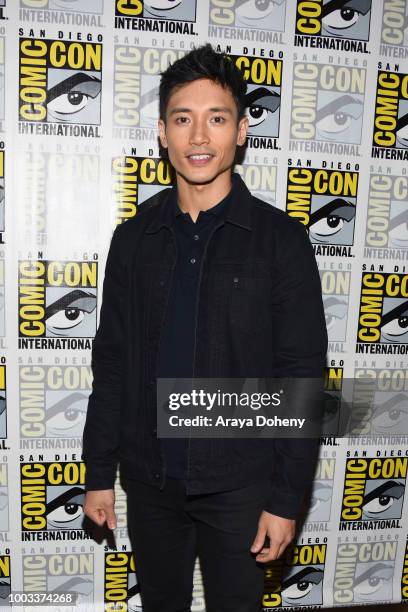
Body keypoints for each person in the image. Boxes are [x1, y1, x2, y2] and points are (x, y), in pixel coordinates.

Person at [82, 43, 328, 612]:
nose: (198, 137)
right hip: (148, 482)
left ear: (241, 131)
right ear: (162, 133)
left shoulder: (281, 242)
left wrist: (286, 500)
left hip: (242, 484)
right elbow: (112, 364)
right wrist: (99, 474)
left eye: (216, 119)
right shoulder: (133, 240)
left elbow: (300, 378)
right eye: (182, 119)